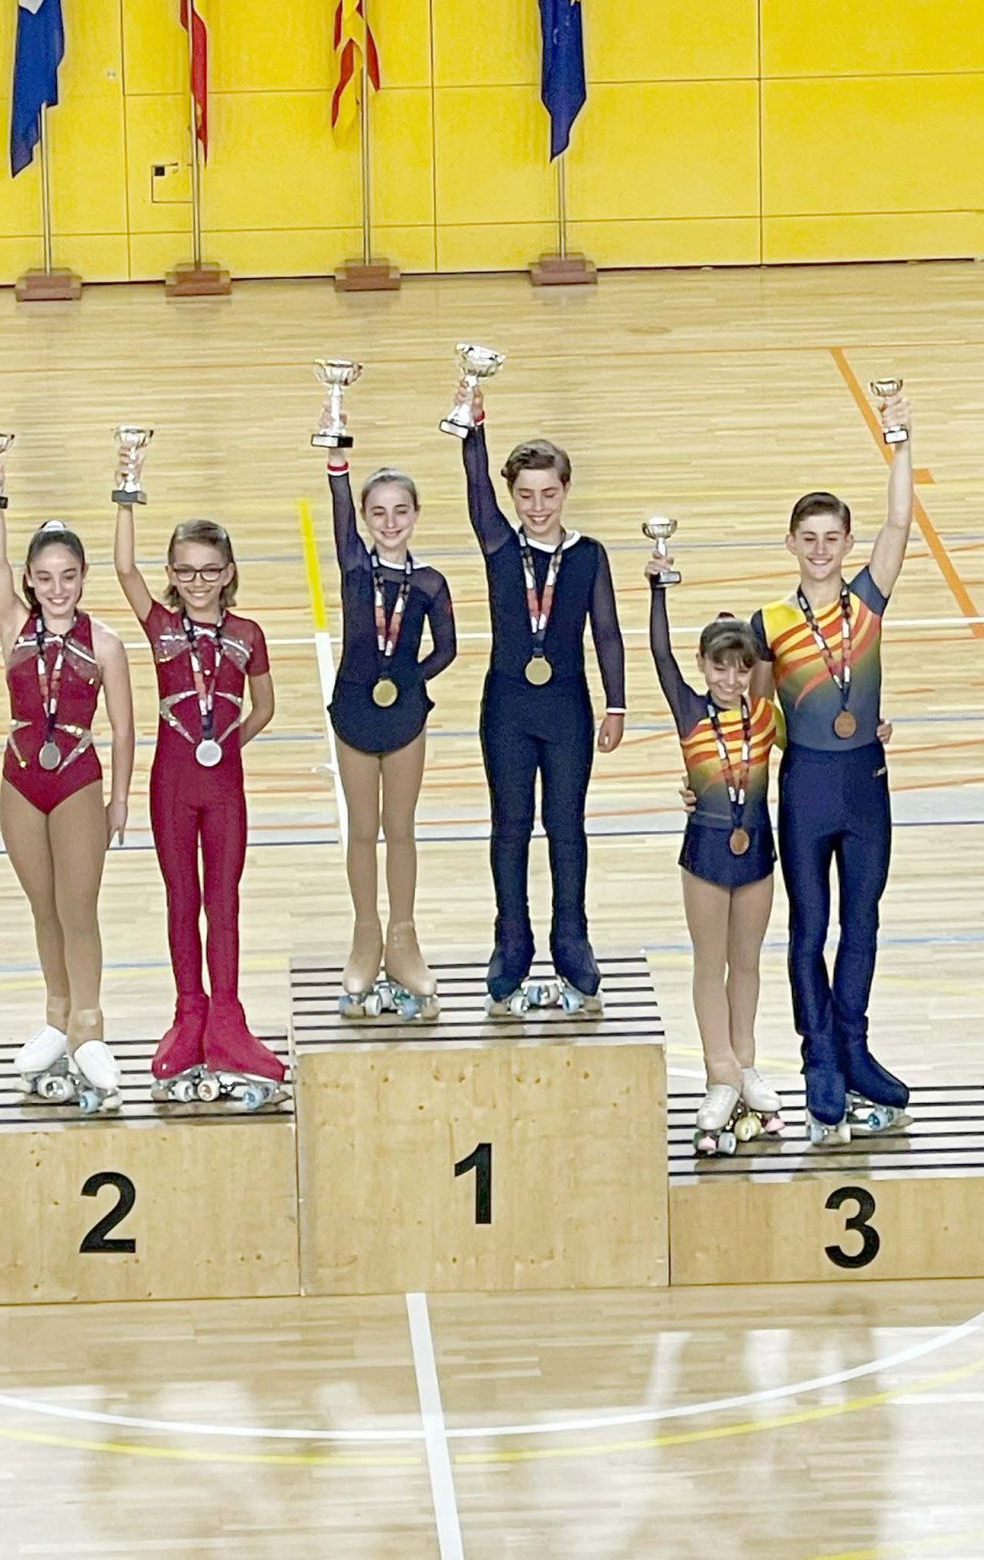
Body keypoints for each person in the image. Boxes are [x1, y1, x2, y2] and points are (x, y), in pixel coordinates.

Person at [750, 389, 914, 1144]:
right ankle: (818, 1056)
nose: (820, 549)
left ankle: (855, 1046)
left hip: (865, 783)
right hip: (808, 785)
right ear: (790, 544)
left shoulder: (869, 602)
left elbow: (900, 521)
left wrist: (900, 441)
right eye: (807, 538)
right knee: (810, 924)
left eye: (831, 538)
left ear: (847, 543)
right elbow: (752, 717)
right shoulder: (767, 625)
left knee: (864, 921)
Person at [457, 381, 626, 1014]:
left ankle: (572, 939)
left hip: (568, 713)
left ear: (565, 491)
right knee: (510, 826)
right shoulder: (502, 547)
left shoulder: (588, 556)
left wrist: (616, 704)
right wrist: (474, 429)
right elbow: (476, 498)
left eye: (548, 493)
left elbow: (606, 630)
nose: (537, 506)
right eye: (524, 495)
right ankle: (511, 941)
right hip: (506, 708)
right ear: (511, 496)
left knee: (565, 826)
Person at [114, 491, 282, 1106]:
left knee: (225, 901)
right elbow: (124, 570)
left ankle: (229, 1020)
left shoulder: (246, 634)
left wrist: (228, 742)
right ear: (172, 574)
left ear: (229, 572)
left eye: (210, 570)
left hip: (223, 784)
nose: (197, 582)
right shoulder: (159, 626)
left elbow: (264, 705)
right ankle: (191, 1014)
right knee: (182, 899)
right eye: (184, 572)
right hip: (172, 785)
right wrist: (126, 492)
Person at [0, 491, 134, 1113]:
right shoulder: (12, 625)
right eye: (43, 578)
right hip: (20, 781)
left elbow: (125, 728)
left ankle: (89, 1026)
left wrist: (120, 800)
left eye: (68, 576)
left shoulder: (106, 642)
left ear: (83, 577)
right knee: (43, 908)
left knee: (79, 910)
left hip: (76, 781)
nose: (56, 588)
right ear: (28, 580)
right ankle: (56, 1016)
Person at [648, 572, 784, 1154]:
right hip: (704, 852)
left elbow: (818, 733)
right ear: (703, 666)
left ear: (752, 670)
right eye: (719, 667)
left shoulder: (767, 718)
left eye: (741, 668)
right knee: (710, 963)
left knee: (747, 962)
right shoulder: (688, 710)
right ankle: (718, 1072)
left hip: (758, 850)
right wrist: (658, 589)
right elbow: (657, 652)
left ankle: (745, 1062)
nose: (731, 679)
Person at [323, 451, 457, 1018]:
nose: (390, 522)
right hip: (354, 711)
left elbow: (446, 649)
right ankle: (365, 933)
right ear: (365, 517)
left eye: (401, 511)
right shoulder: (356, 567)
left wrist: (406, 681)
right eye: (377, 513)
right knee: (362, 829)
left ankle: (403, 937)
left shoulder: (429, 583)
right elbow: (337, 515)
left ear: (416, 514)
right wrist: (337, 466)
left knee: (399, 828)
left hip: (405, 716)